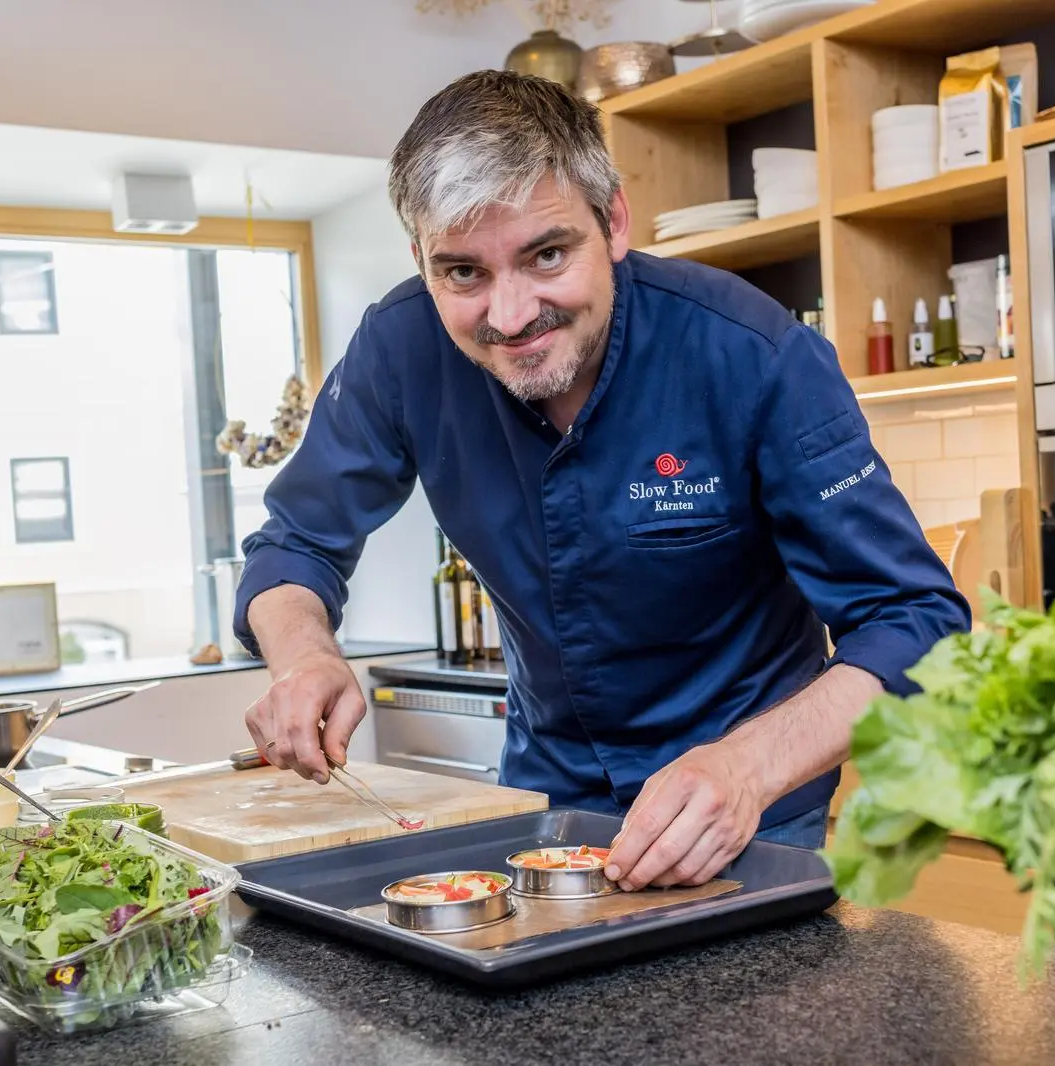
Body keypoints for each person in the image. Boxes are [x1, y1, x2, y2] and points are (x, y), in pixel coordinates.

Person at [234, 69, 970, 892]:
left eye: (547, 254)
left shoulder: (754, 353)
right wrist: (303, 658)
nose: (511, 316)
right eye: (463, 273)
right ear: (421, 260)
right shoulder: (400, 348)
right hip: (544, 796)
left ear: (613, 220)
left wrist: (748, 767)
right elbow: (294, 544)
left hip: (747, 803)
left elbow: (917, 620)